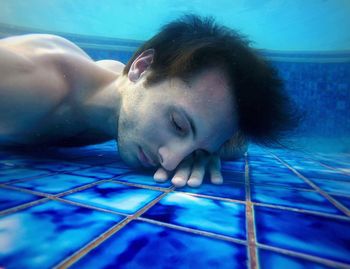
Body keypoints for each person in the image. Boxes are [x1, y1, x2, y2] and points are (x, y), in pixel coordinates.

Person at [0, 15, 302, 187]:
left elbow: (238, 145)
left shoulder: (123, 96)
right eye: (178, 125)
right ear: (141, 68)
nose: (170, 160)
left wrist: (206, 150)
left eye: (196, 148)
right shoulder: (30, 81)